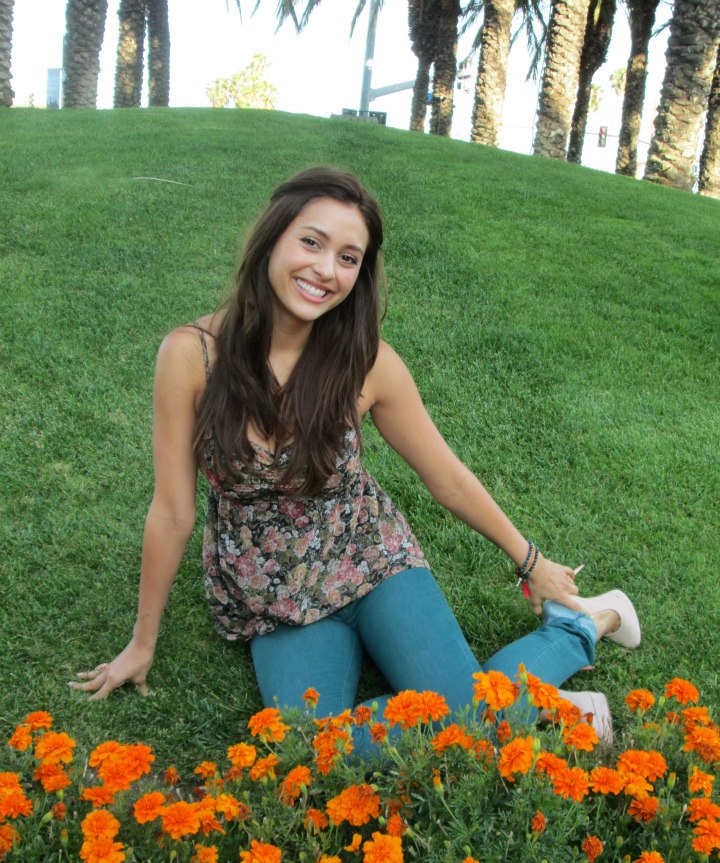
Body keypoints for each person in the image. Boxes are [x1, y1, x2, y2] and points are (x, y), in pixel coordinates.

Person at [71, 167, 640, 754]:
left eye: (348, 258)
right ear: (272, 239)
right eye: (311, 242)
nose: (325, 270)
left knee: (463, 718)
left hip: (371, 558)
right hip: (275, 595)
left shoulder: (367, 363)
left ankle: (579, 625)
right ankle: (537, 701)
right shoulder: (191, 356)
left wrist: (530, 561)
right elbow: (172, 512)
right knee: (313, 750)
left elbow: (445, 476)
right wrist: (142, 642)